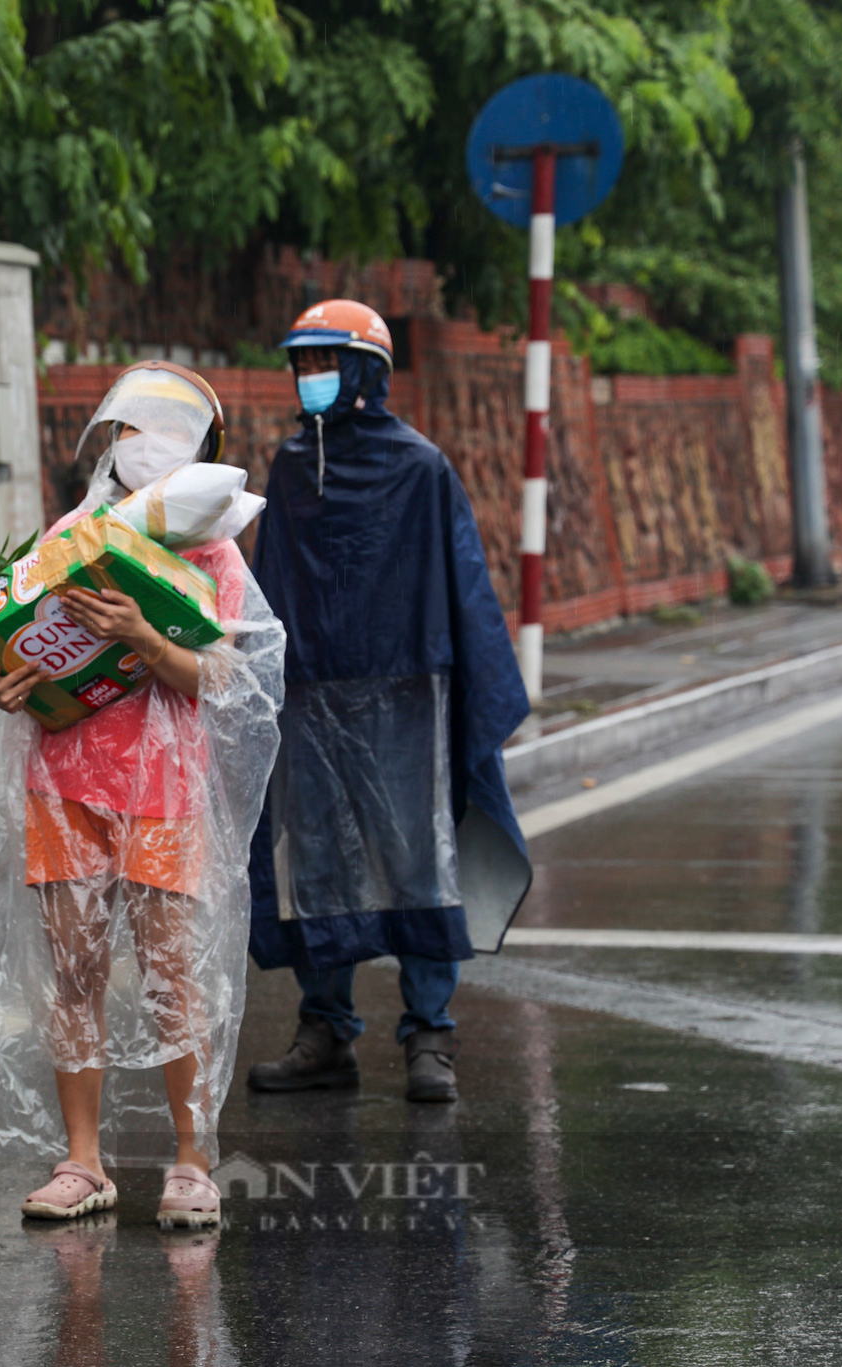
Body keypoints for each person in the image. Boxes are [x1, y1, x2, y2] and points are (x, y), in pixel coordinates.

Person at [0, 361, 284, 1231]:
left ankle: (190, 1159)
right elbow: (11, 650)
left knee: (173, 971)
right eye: (130, 431)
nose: (140, 447)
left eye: (162, 434)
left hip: (163, 792)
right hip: (64, 782)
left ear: (200, 450)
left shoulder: (211, 547)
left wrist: (144, 634)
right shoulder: (75, 532)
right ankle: (83, 1160)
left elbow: (226, 674)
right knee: (72, 971)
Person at [244, 299, 532, 1104]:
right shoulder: (291, 470)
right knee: (318, 863)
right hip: (311, 703)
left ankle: (430, 1035)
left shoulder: (421, 467)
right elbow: (272, 591)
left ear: (367, 369)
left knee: (419, 862)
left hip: (408, 699)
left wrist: (467, 691)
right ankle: (326, 1029)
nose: (309, 377)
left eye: (323, 361)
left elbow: (463, 590)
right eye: (300, 364)